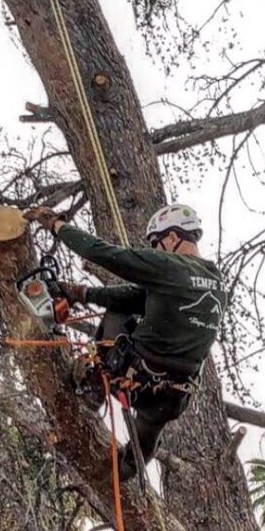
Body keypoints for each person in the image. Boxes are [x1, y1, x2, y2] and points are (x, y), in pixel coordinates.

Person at [28, 203, 226, 479]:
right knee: (144, 442)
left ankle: (94, 385)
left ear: (172, 238)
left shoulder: (170, 265)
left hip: (134, 373)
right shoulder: (215, 282)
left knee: (117, 314)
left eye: (157, 243)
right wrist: (82, 293)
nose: (156, 249)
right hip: (172, 396)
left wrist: (57, 225)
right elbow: (140, 298)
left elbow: (103, 254)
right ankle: (125, 471)